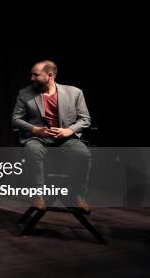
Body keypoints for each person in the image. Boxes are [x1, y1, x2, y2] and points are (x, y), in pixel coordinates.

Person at [12, 60, 92, 211]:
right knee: (32, 149)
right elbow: (15, 120)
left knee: (83, 154)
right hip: (38, 138)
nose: (32, 78)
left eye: (36, 75)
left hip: (65, 138)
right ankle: (38, 195)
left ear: (49, 75)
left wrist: (69, 130)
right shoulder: (25, 93)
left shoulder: (74, 92)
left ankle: (77, 195)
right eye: (31, 75)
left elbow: (85, 119)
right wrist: (35, 129)